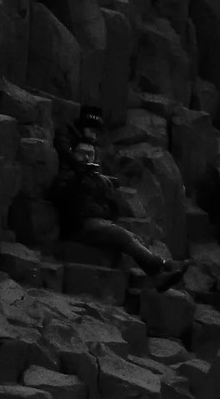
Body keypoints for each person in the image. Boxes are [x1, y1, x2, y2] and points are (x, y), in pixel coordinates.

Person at [50, 107, 184, 290]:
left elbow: (106, 204)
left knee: (128, 235)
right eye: (82, 153)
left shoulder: (96, 178)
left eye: (90, 154)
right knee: (120, 234)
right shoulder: (68, 174)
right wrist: (80, 176)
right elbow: (61, 196)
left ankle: (158, 275)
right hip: (79, 225)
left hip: (95, 222)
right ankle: (162, 266)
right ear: (74, 154)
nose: (86, 157)